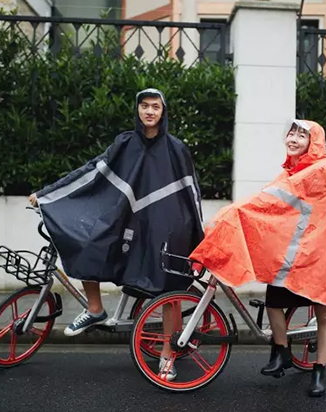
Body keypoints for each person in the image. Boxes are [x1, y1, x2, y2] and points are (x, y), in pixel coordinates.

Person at [29, 88, 205, 381]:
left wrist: (200, 238)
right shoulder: (124, 143)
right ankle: (95, 308)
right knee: (88, 243)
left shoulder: (177, 148)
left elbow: (191, 192)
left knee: (168, 289)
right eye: (144, 106)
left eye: (155, 107)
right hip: (129, 222)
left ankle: (167, 355)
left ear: (164, 112)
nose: (149, 111)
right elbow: (92, 172)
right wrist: (47, 194)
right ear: (137, 110)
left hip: (166, 225)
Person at [189, 119, 326, 397]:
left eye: (301, 135)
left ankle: (319, 370)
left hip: (320, 256)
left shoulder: (320, 169)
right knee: (273, 302)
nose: (293, 138)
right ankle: (281, 351)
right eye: (291, 133)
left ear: (314, 142)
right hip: (297, 256)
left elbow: (269, 202)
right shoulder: (290, 171)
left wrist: (237, 211)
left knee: (325, 312)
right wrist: (236, 212)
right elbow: (270, 203)